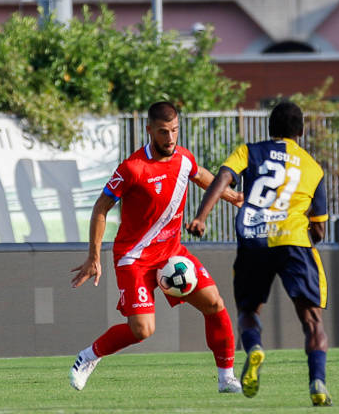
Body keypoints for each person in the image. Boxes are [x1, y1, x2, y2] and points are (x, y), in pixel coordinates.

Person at [69, 101, 245, 393]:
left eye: (175, 130)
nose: (171, 138)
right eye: (164, 132)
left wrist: (233, 196)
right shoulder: (132, 168)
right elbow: (101, 207)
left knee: (215, 304)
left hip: (171, 253)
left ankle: (226, 378)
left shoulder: (183, 158)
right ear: (149, 130)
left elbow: (201, 175)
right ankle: (88, 356)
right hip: (134, 257)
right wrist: (93, 256)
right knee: (143, 330)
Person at [189, 100, 333, 406]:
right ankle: (317, 381)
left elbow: (224, 178)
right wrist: (305, 239)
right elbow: (319, 230)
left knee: (248, 312)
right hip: (293, 241)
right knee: (312, 321)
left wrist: (201, 217)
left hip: (253, 239)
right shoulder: (312, 167)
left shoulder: (249, 151)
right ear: (302, 131)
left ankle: (254, 348)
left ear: (270, 129)